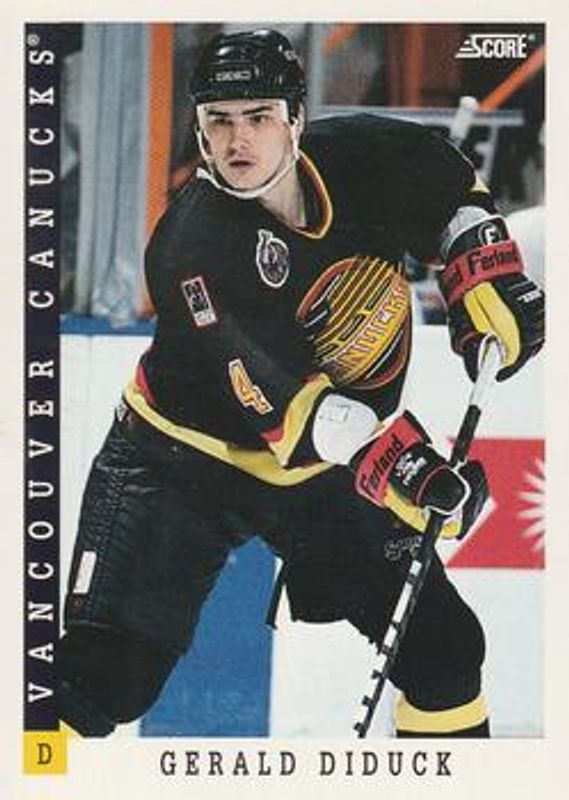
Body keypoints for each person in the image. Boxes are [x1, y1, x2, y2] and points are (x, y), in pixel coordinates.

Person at [57, 29, 545, 738]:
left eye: (257, 116)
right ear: (199, 129)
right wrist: (406, 471)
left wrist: (482, 266)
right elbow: (302, 416)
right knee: (100, 686)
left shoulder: (362, 157)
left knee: (444, 653)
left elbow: (450, 186)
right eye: (218, 120)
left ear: (295, 118)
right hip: (178, 466)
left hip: (315, 474)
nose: (237, 140)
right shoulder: (192, 246)